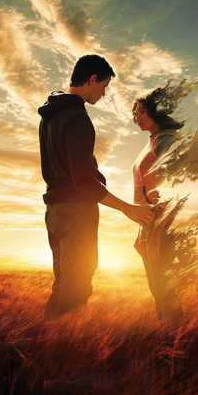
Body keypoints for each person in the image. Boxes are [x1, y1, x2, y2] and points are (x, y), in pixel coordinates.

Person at [39, 54, 154, 318]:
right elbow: (82, 182)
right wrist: (129, 209)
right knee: (76, 288)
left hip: (54, 212)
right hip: (76, 213)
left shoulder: (49, 115)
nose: (103, 94)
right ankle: (63, 351)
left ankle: (48, 346)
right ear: (91, 79)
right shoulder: (77, 117)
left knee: (64, 283)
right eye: (103, 87)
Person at [132, 88, 184, 320]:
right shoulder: (152, 141)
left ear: (157, 111)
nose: (137, 117)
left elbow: (174, 191)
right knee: (157, 288)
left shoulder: (168, 141)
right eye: (136, 113)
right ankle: (168, 338)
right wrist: (142, 231)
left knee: (163, 288)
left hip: (160, 223)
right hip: (148, 222)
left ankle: (176, 341)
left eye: (142, 112)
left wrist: (155, 234)